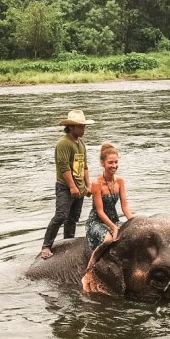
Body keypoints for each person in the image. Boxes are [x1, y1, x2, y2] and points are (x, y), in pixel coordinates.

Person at [40, 109, 93, 259]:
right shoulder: (63, 143)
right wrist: (72, 186)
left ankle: (67, 243)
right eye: (81, 126)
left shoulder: (81, 144)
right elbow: (64, 167)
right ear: (71, 127)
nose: (84, 129)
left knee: (73, 219)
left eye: (84, 126)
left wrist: (87, 186)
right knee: (61, 215)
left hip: (79, 186)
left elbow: (85, 166)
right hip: (66, 186)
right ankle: (46, 246)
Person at [85, 142, 135, 252]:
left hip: (114, 220)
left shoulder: (120, 181)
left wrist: (133, 222)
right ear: (102, 163)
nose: (114, 166)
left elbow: (125, 206)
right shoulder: (96, 183)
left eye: (116, 162)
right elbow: (100, 211)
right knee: (108, 240)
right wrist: (113, 228)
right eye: (110, 162)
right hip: (96, 222)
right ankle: (91, 266)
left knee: (132, 235)